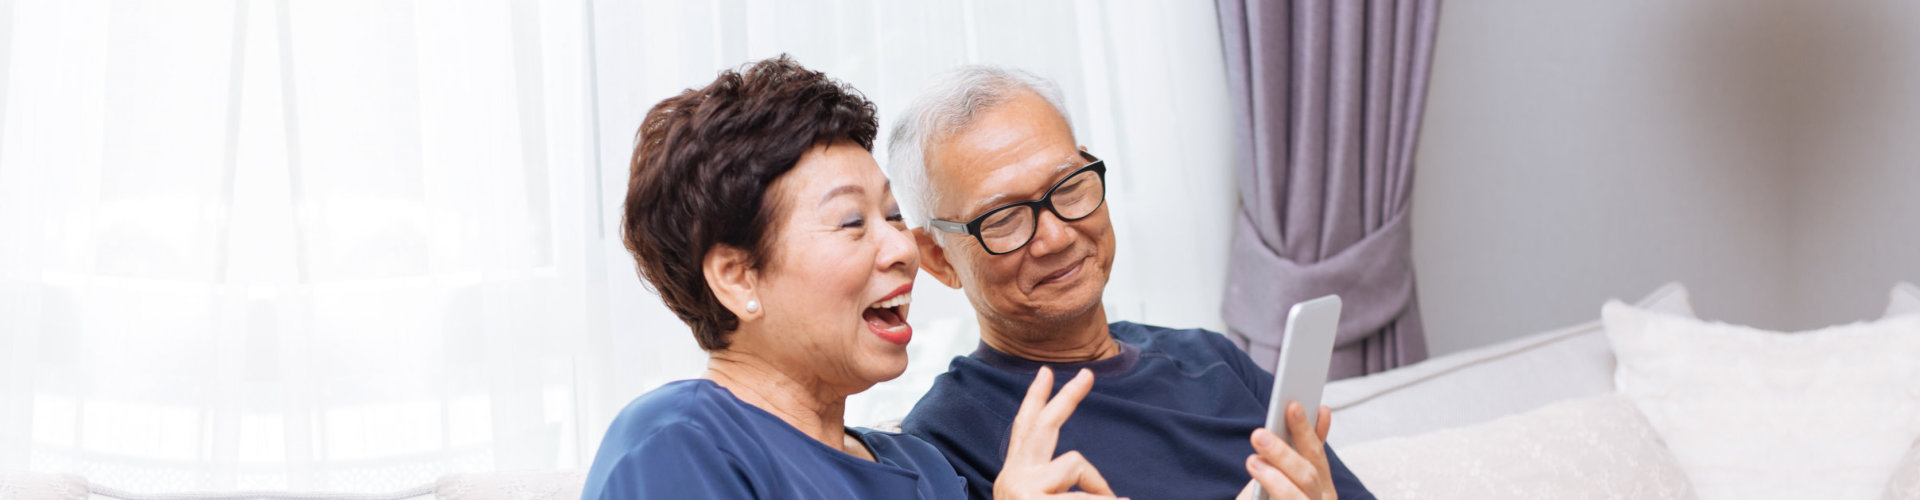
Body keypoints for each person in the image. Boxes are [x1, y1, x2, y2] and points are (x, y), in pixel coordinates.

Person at [581, 56, 1122, 500]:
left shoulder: (925, 469)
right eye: (851, 222)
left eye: (890, 215)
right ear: (738, 278)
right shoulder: (678, 443)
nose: (902, 248)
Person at [886, 65, 1376, 500]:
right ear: (937, 257)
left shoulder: (1213, 360)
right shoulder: (944, 438)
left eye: (1069, 187)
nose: (1055, 236)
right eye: (1004, 219)